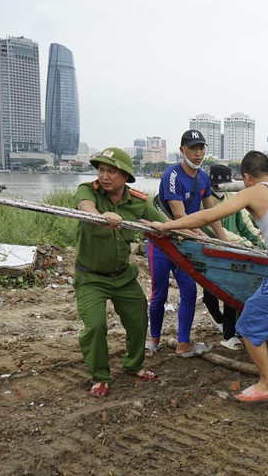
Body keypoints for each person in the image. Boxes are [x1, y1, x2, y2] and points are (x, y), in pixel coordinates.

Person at [150, 151, 268, 416]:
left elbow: (209, 216)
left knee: (247, 328)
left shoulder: (255, 191)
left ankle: (267, 383)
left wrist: (169, 226)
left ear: (246, 177)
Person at [74, 147, 168, 398]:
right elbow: (84, 206)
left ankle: (134, 365)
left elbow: (161, 224)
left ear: (125, 175)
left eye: (111, 171)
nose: (104, 176)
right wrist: (100, 216)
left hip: (123, 276)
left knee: (138, 317)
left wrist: (167, 228)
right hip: (90, 277)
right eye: (101, 170)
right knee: (94, 326)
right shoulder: (88, 190)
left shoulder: (138, 201)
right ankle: (100, 377)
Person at [145, 130, 228, 358]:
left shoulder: (203, 177)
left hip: (186, 245)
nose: (198, 153)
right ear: (182, 150)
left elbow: (211, 212)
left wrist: (223, 240)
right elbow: (179, 216)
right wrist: (203, 236)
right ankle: (153, 340)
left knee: (189, 292)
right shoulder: (172, 175)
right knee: (159, 294)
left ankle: (183, 343)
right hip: (163, 242)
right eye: (193, 148)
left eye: (201, 148)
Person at [201, 164, 265, 350]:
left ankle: (230, 334)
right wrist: (244, 243)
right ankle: (219, 320)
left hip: (232, 253)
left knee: (232, 292)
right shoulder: (203, 202)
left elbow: (247, 227)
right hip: (209, 252)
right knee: (209, 294)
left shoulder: (234, 199)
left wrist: (261, 244)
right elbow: (213, 229)